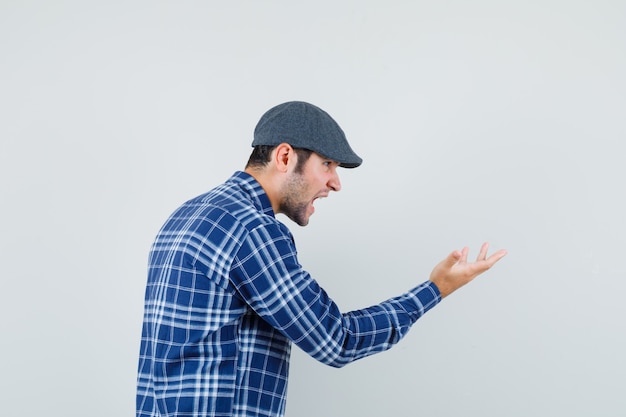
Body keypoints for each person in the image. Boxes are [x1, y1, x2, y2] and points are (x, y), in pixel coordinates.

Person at [136, 101, 507, 417]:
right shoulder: (253, 230)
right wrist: (435, 289)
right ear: (285, 157)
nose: (336, 182)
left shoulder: (185, 216)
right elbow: (337, 340)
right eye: (327, 164)